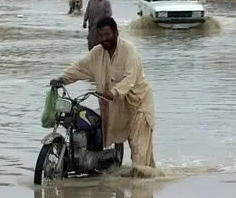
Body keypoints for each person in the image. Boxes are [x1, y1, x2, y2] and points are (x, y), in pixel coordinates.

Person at [50, 17, 156, 169]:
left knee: (140, 152)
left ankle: (144, 184)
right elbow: (80, 68)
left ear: (116, 32)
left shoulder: (129, 50)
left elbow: (130, 78)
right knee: (105, 135)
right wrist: (62, 79)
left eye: (107, 35)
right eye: (101, 35)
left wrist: (114, 92)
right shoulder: (97, 53)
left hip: (138, 105)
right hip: (115, 107)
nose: (104, 39)